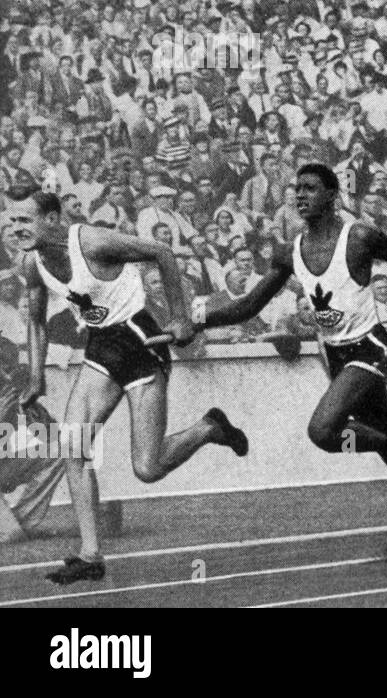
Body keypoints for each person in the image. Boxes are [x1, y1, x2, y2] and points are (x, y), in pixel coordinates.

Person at [193, 164, 387, 568]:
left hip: (371, 349)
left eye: (311, 188)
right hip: (337, 357)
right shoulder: (289, 251)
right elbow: (248, 306)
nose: (300, 195)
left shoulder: (358, 237)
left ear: (333, 195)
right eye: (296, 189)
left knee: (323, 431)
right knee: (386, 438)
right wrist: (197, 321)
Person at [11, 187, 246, 584]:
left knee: (148, 468)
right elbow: (34, 321)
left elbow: (163, 253)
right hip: (101, 347)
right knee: (73, 445)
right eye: (11, 221)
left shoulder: (93, 241)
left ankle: (210, 428)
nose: (15, 228)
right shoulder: (33, 263)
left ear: (51, 219)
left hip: (141, 342)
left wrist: (181, 318)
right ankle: (90, 555)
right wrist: (36, 377)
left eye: (23, 220)